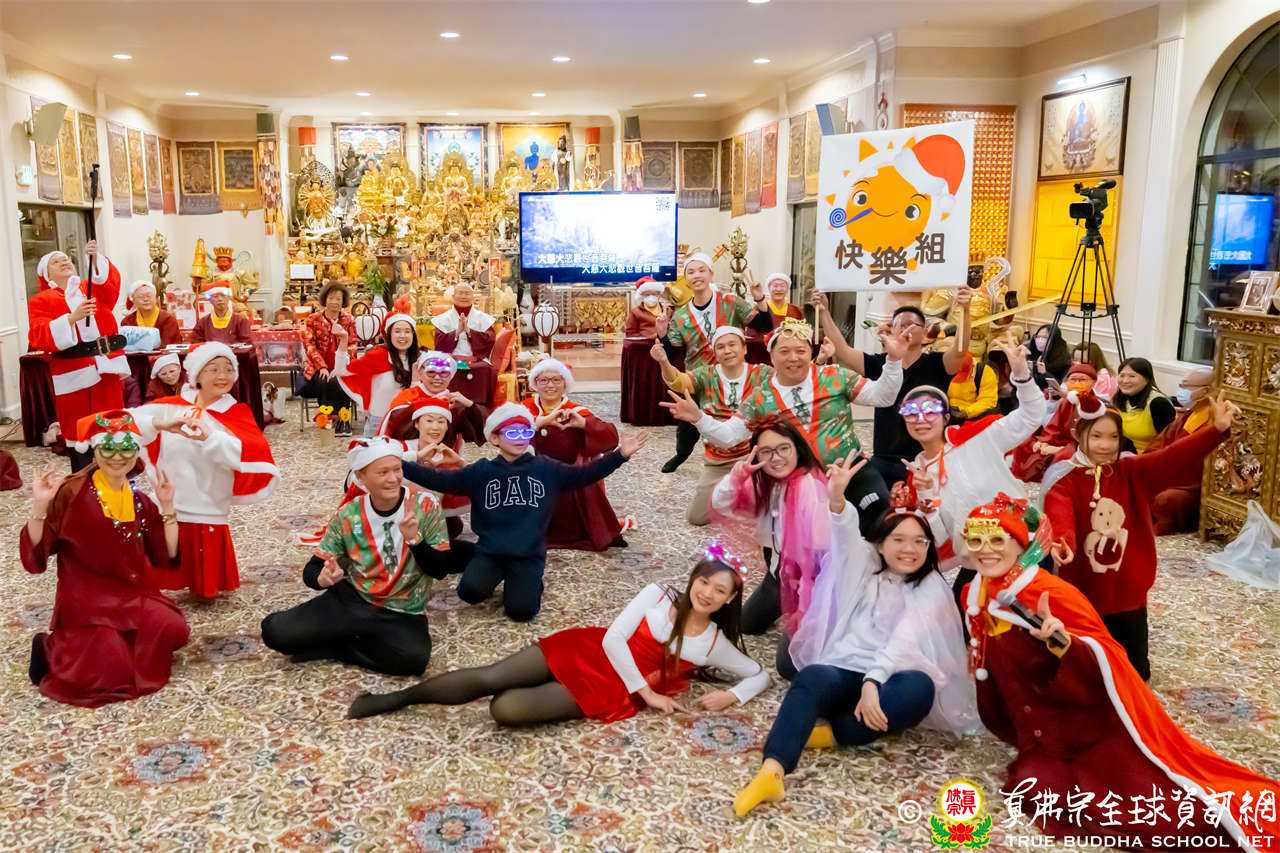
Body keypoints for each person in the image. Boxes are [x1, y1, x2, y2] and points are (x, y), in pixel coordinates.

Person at [959, 495, 1278, 849]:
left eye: (997, 539)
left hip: (1088, 720)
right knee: (1032, 782)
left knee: (1156, 809)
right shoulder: (974, 593)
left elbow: (1107, 655)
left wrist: (1064, 644)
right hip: (1038, 727)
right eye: (976, 540)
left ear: (1021, 546)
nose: (986, 550)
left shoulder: (1050, 593)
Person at [732, 455, 979, 817]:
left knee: (921, 689)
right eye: (899, 539)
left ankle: (833, 734)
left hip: (892, 678)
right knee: (811, 676)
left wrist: (873, 682)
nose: (909, 549)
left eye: (919, 542)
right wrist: (837, 497)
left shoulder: (929, 586)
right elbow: (846, 532)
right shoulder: (865, 566)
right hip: (845, 668)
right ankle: (773, 770)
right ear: (880, 544)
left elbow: (905, 640)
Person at [347, 551, 769, 725]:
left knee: (505, 708)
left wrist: (731, 696)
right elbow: (613, 640)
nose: (707, 593)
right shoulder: (659, 594)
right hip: (592, 649)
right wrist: (649, 693)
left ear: (730, 599)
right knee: (493, 675)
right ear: (694, 579)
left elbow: (759, 674)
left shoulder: (714, 643)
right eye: (704, 582)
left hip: (610, 687)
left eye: (719, 590)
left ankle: (530, 692)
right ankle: (396, 700)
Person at [1042, 390, 1235, 680]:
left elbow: (1173, 458)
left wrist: (1215, 431)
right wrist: (1063, 541)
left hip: (1128, 594)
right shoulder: (1065, 479)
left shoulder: (1133, 472)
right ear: (1078, 436)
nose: (1105, 445)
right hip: (1084, 591)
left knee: (1134, 672)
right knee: (1085, 668)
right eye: (1096, 436)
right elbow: (1059, 512)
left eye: (1113, 437)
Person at [401, 403, 647, 622]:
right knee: (469, 593)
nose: (520, 439)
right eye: (512, 433)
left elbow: (585, 474)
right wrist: (398, 463)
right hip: (491, 552)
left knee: (521, 611)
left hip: (528, 554)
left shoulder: (546, 468)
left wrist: (620, 455)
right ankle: (477, 560)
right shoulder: (481, 471)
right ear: (495, 438)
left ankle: (530, 582)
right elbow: (439, 479)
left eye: (525, 433)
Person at [665, 316, 906, 537]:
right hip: (795, 483)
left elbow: (882, 396)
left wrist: (894, 361)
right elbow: (729, 436)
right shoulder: (761, 398)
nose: (793, 357)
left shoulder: (835, 377)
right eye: (784, 351)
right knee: (800, 542)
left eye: (801, 350)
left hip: (851, 472)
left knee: (881, 523)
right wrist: (699, 418)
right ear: (771, 356)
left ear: (810, 352)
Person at [21, 410, 188, 707]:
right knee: (109, 674)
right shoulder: (71, 493)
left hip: (131, 595)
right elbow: (36, 556)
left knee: (174, 629)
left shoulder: (139, 501)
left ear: (136, 452)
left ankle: (119, 643)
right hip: (86, 601)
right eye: (108, 448)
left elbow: (167, 554)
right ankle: (50, 649)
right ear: (95, 451)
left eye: (126, 449)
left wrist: (167, 507)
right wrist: (40, 507)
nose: (117, 457)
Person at [261, 437, 451, 675]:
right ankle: (354, 637)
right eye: (382, 472)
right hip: (353, 599)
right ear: (361, 478)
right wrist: (322, 579)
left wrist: (415, 540)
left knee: (414, 660)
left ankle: (338, 648)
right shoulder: (349, 514)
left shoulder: (425, 505)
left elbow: (440, 570)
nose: (393, 479)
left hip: (403, 610)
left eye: (397, 469)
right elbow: (313, 569)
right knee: (275, 632)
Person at [130, 342, 280, 599]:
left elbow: (249, 453)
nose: (223, 376)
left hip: (209, 500)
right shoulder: (172, 406)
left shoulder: (235, 412)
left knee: (205, 594)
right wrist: (159, 424)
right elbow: (126, 421)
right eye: (213, 369)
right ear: (197, 374)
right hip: (171, 500)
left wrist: (211, 438)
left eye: (228, 369)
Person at [898, 333, 1044, 586]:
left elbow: (1031, 416)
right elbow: (941, 538)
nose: (921, 419)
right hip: (979, 561)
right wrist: (925, 496)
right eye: (911, 412)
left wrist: (1022, 375)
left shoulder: (979, 436)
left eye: (930, 410)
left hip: (1023, 550)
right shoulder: (918, 476)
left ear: (946, 416)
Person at [812, 288, 972, 488]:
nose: (905, 328)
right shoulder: (880, 364)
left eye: (911, 324)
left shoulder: (938, 363)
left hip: (926, 457)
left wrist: (965, 310)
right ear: (891, 331)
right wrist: (824, 312)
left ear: (925, 332)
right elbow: (843, 351)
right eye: (899, 324)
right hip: (883, 457)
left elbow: (960, 350)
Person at [711, 421, 830, 673]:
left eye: (783, 448)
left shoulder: (810, 487)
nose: (776, 458)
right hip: (778, 577)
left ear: (797, 448)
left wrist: (804, 606)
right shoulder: (764, 483)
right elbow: (721, 504)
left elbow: (822, 555)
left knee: (788, 666)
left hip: (812, 584)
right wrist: (736, 477)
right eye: (766, 451)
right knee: (744, 624)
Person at [26, 241, 129, 471]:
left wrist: (95, 258)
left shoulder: (90, 289)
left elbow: (110, 285)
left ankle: (117, 476)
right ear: (47, 274)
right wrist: (71, 318)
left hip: (106, 367)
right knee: (77, 429)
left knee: (111, 423)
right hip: (71, 374)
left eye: (67, 259)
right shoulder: (41, 301)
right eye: (56, 261)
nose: (64, 262)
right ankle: (82, 479)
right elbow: (38, 335)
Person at [652, 326, 766, 525]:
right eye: (720, 347)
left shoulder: (762, 374)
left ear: (744, 348)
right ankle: (732, 491)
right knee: (696, 518)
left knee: (761, 515)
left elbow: (790, 380)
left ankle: (746, 491)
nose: (727, 350)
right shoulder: (706, 375)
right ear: (715, 352)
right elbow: (679, 382)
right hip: (718, 461)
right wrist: (664, 362)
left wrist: (820, 360)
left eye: (732, 345)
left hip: (754, 457)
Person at [659, 253, 757, 473]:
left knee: (742, 420)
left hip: (733, 374)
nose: (697, 275)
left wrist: (760, 299)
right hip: (699, 377)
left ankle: (746, 460)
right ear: (686, 279)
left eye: (701, 270)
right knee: (687, 427)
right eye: (691, 272)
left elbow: (764, 324)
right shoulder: (682, 315)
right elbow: (673, 351)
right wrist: (663, 334)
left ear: (711, 274)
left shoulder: (731, 302)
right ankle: (681, 454)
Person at [523, 358, 627, 551]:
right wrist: (538, 422)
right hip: (530, 477)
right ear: (535, 384)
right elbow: (500, 434)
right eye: (544, 380)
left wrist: (585, 425)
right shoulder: (523, 409)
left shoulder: (577, 412)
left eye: (556, 380)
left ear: (565, 384)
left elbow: (611, 438)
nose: (550, 385)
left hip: (569, 478)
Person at [1149, 368, 1217, 534]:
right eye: (1181, 386)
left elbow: (1201, 461)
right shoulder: (1188, 416)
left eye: (1186, 387)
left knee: (1166, 500)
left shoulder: (1214, 420)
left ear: (1206, 391)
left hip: (1189, 486)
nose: (1181, 391)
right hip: (1166, 472)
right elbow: (1159, 443)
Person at [377, 350, 489, 447]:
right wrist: (431, 403)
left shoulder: (454, 402)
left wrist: (470, 406)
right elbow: (393, 423)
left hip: (444, 458)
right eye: (431, 372)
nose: (437, 378)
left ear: (451, 376)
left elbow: (484, 432)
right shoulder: (409, 395)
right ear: (420, 373)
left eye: (444, 373)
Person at [335, 310, 419, 437]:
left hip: (410, 423)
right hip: (378, 422)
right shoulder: (377, 356)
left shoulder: (420, 360)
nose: (402, 336)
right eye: (397, 331)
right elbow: (341, 370)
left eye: (407, 331)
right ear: (389, 335)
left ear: (413, 334)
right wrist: (343, 340)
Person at [1009, 363, 1096, 483]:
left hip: (1078, 449)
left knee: (1065, 455)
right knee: (1024, 441)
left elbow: (1090, 441)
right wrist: (1043, 443)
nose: (1077, 383)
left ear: (1093, 383)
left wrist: (1058, 449)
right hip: (1058, 442)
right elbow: (1053, 428)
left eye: (1082, 380)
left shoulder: (1097, 407)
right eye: (1073, 380)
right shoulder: (1066, 402)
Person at [300, 283, 358, 436]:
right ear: (325, 299)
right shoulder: (313, 319)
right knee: (325, 380)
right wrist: (323, 367)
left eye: (338, 298)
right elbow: (309, 346)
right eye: (331, 298)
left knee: (340, 380)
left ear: (343, 301)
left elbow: (353, 345)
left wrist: (341, 367)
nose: (334, 302)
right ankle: (329, 418)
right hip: (318, 367)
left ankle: (342, 420)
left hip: (343, 365)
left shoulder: (349, 320)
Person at [621, 277, 675, 427]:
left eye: (654, 294)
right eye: (647, 294)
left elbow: (675, 330)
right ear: (642, 296)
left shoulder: (668, 311)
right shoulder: (636, 312)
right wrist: (651, 336)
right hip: (643, 354)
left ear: (659, 295)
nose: (651, 297)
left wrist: (663, 335)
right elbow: (630, 333)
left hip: (664, 349)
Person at [1112, 356, 1176, 453]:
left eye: (1132, 376)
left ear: (1146, 379)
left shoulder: (1158, 404)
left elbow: (1169, 443)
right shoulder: (1120, 399)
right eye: (1122, 375)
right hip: (1122, 454)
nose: (1125, 381)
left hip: (1150, 457)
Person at [431, 281, 497, 361]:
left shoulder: (483, 318)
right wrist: (456, 333)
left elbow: (490, 341)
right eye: (460, 293)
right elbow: (438, 345)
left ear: (473, 297)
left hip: (477, 361)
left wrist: (469, 332)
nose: (463, 296)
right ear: (453, 297)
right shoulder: (443, 319)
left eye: (467, 293)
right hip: (449, 362)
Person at [120, 281, 181, 346]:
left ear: (156, 299)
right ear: (133, 301)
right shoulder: (127, 322)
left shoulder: (168, 320)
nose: (146, 299)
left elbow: (170, 346)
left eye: (149, 296)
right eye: (141, 297)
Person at [946, 355, 998, 422]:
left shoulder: (985, 372)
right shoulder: (949, 368)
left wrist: (967, 413)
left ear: (972, 366)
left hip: (973, 416)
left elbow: (987, 401)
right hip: (950, 413)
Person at [1027, 323, 1071, 389]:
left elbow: (1059, 386)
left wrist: (1043, 373)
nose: (1040, 340)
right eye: (1038, 337)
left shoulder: (1063, 360)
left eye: (1044, 337)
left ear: (1054, 340)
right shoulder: (1029, 352)